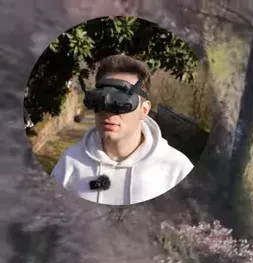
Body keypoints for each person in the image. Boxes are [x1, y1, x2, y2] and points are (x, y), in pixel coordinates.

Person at [51, 54, 193, 205]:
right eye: (100, 100)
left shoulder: (176, 169)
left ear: (144, 110)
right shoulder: (71, 162)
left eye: (120, 102)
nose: (108, 112)